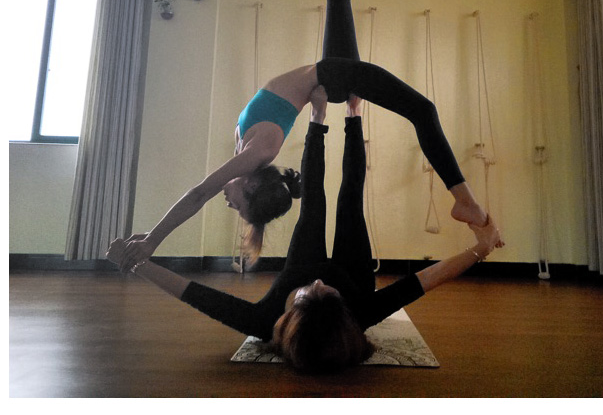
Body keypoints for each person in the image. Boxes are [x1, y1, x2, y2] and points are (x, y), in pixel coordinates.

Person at [117, 0, 492, 274]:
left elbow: (205, 192)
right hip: (333, 75)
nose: (229, 205)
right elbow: (200, 194)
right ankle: (464, 200)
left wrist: (157, 236)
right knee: (423, 109)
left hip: (330, 74)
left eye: (237, 210)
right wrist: (153, 240)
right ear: (251, 185)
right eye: (240, 207)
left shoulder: (246, 150)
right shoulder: (259, 153)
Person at [106, 90, 503, 373]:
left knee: (313, 201)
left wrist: (137, 263)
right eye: (326, 292)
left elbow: (197, 295)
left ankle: (318, 117)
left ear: (287, 318)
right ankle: (353, 113)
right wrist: (480, 249)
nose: (318, 281)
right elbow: (426, 280)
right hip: (354, 274)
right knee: (350, 199)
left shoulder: (263, 321)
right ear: (344, 310)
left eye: (307, 294)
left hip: (300, 261)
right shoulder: (361, 311)